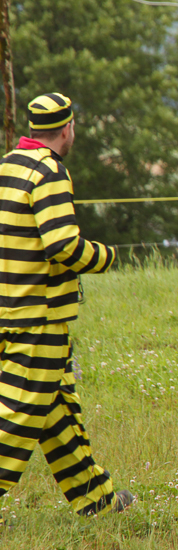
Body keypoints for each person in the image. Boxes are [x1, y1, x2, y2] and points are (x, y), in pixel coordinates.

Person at [0, 93, 133, 521]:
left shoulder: (8, 165)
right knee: (17, 418)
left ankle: (97, 499)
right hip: (38, 318)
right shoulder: (50, 172)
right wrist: (106, 257)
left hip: (9, 309)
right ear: (67, 129)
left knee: (59, 413)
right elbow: (62, 246)